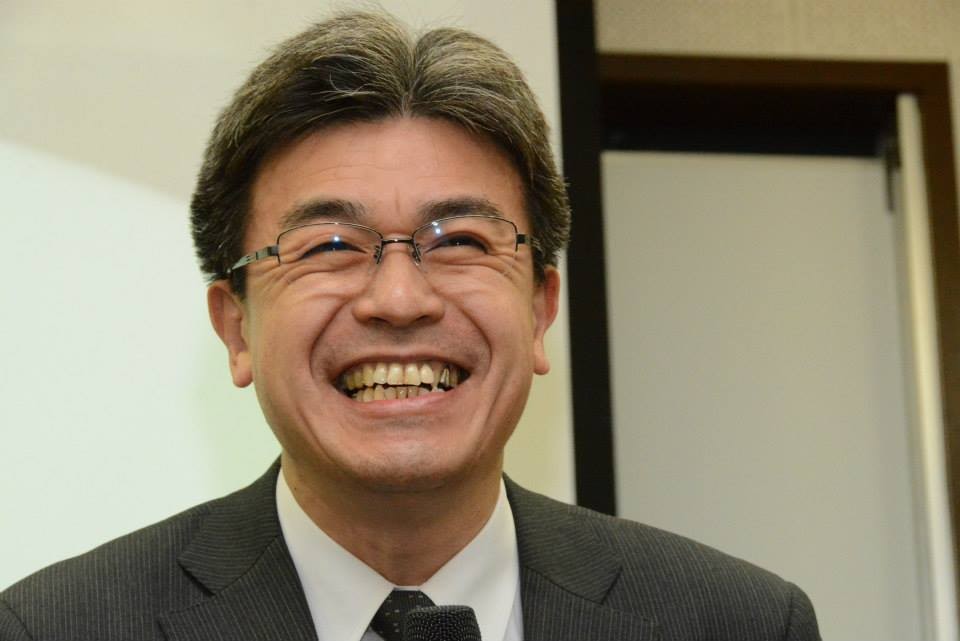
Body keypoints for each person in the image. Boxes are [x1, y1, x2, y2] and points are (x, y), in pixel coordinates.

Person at [0, 11, 820, 641]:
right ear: (236, 327)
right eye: (330, 245)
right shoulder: (56, 626)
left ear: (541, 309)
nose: (398, 299)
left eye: (459, 240)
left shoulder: (739, 622)